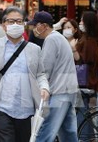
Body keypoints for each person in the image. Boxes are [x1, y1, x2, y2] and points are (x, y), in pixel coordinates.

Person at [0, 7, 50, 142]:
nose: (15, 25)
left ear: (24, 24)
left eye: (19, 21)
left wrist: (44, 87)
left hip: (26, 109)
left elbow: (40, 74)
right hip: (1, 107)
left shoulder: (34, 49)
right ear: (4, 25)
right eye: (11, 21)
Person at [31, 11, 79, 142]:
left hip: (60, 90)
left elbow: (45, 69)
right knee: (68, 132)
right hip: (68, 89)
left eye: (36, 25)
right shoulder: (58, 37)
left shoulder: (51, 39)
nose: (34, 28)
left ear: (44, 26)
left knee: (47, 131)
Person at [75, 10, 98, 136]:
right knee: (84, 112)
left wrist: (75, 54)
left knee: (82, 112)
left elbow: (85, 61)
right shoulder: (89, 39)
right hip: (86, 80)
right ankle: (89, 137)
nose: (80, 23)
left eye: (82, 21)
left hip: (84, 81)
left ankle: (85, 138)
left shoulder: (89, 41)